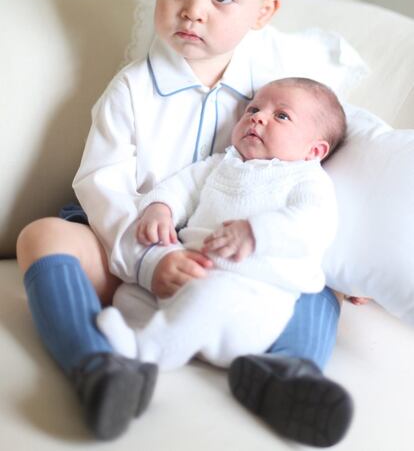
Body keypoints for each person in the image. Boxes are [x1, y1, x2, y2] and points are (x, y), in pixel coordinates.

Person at [16, 0, 352, 446]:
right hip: (130, 246)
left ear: (263, 13)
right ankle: (98, 366)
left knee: (320, 285)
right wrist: (151, 259)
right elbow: (102, 183)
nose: (194, 8)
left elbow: (328, 154)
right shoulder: (132, 89)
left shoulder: (277, 90)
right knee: (43, 236)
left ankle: (287, 374)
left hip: (237, 260)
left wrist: (351, 259)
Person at [97, 76, 346, 381]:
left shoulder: (307, 180)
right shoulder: (221, 163)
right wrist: (159, 208)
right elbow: (181, 187)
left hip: (247, 301)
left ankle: (144, 354)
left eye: (281, 116)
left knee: (210, 295)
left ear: (315, 151)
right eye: (253, 109)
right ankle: (157, 333)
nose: (257, 117)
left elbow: (313, 225)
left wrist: (256, 233)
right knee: (129, 293)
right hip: (188, 280)